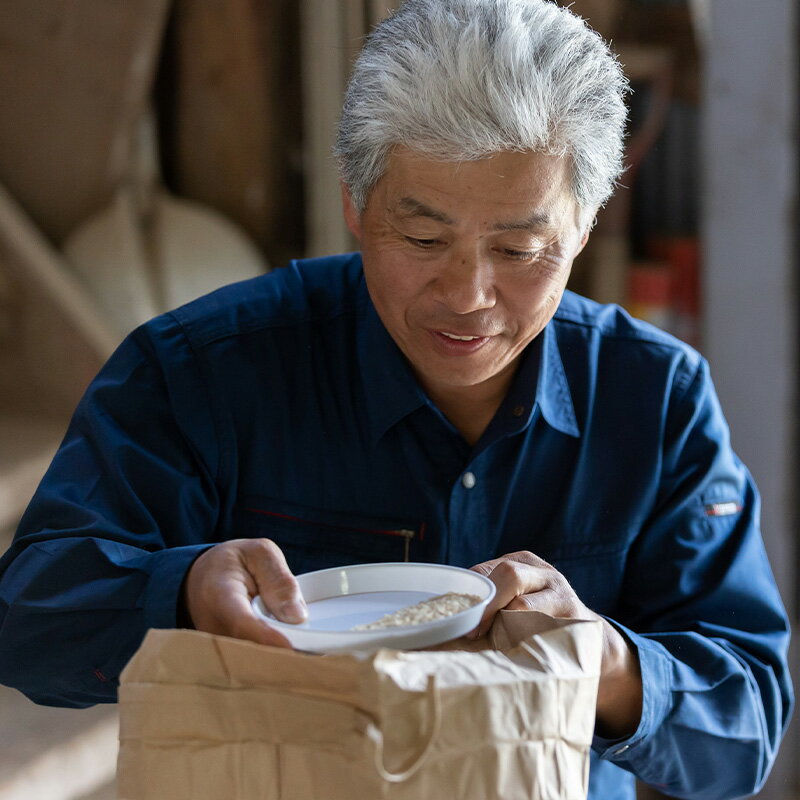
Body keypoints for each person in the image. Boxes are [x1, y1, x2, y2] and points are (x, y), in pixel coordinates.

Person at [0, 0, 792, 797]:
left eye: (518, 249)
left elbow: (746, 722)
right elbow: (28, 620)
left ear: (583, 226)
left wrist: (606, 660)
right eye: (422, 240)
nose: (468, 296)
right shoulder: (203, 371)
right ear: (355, 200)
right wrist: (186, 590)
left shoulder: (653, 397)